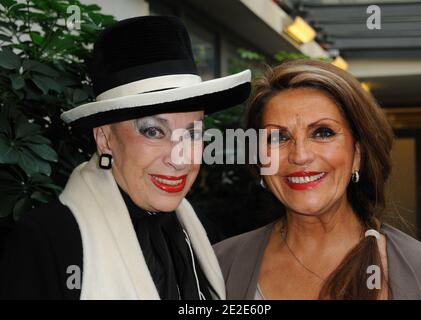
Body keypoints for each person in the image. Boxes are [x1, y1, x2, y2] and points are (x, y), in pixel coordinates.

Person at [0, 16, 251, 299]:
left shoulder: (201, 231)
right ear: (105, 139)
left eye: (192, 134)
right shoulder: (48, 240)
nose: (180, 159)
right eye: (154, 131)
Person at [214, 59, 421, 300]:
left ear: (358, 153)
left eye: (323, 133)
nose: (300, 156)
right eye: (278, 138)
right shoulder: (218, 267)